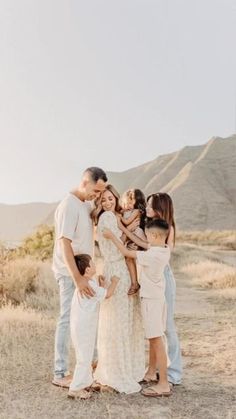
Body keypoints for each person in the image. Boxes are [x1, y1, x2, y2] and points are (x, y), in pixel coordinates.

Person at [116, 192, 182, 385]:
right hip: (150, 276)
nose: (148, 208)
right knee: (154, 328)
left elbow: (156, 249)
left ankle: (174, 372)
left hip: (163, 278)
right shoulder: (147, 223)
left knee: (167, 326)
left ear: (162, 208)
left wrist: (124, 233)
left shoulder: (168, 228)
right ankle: (152, 370)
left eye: (152, 206)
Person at [52, 167, 107, 388]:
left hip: (85, 272)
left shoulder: (85, 205)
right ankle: (60, 372)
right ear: (85, 182)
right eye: (96, 190)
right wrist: (77, 278)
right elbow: (63, 243)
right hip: (69, 274)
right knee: (67, 319)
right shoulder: (69, 205)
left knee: (87, 319)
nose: (98, 195)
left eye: (100, 191)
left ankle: (90, 366)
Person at [103, 218, 172, 397]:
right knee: (155, 338)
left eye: (148, 235)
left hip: (151, 301)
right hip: (157, 299)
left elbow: (126, 252)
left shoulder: (153, 255)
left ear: (155, 235)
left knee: (156, 340)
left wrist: (112, 235)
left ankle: (163, 384)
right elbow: (144, 245)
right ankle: (152, 373)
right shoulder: (163, 250)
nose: (146, 239)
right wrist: (124, 229)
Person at [91, 184, 145, 394]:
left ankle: (124, 366)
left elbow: (121, 239)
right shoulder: (106, 218)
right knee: (118, 321)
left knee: (121, 321)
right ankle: (118, 369)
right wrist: (127, 233)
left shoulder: (115, 216)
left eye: (109, 198)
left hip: (118, 268)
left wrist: (127, 232)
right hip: (116, 270)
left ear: (115, 197)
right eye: (102, 200)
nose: (107, 202)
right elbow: (116, 247)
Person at [68, 254, 119, 400]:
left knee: (85, 356)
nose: (95, 264)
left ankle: (86, 382)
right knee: (84, 358)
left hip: (81, 325)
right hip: (83, 327)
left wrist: (102, 285)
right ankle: (75, 388)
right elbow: (108, 294)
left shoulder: (87, 282)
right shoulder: (89, 285)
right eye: (93, 263)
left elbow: (98, 296)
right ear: (88, 269)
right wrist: (114, 282)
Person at [120, 189, 146, 295]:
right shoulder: (126, 211)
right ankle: (134, 283)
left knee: (129, 258)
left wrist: (118, 217)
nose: (129, 206)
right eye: (127, 203)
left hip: (136, 237)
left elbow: (126, 222)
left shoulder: (136, 211)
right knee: (128, 259)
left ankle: (135, 283)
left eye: (131, 203)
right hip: (130, 237)